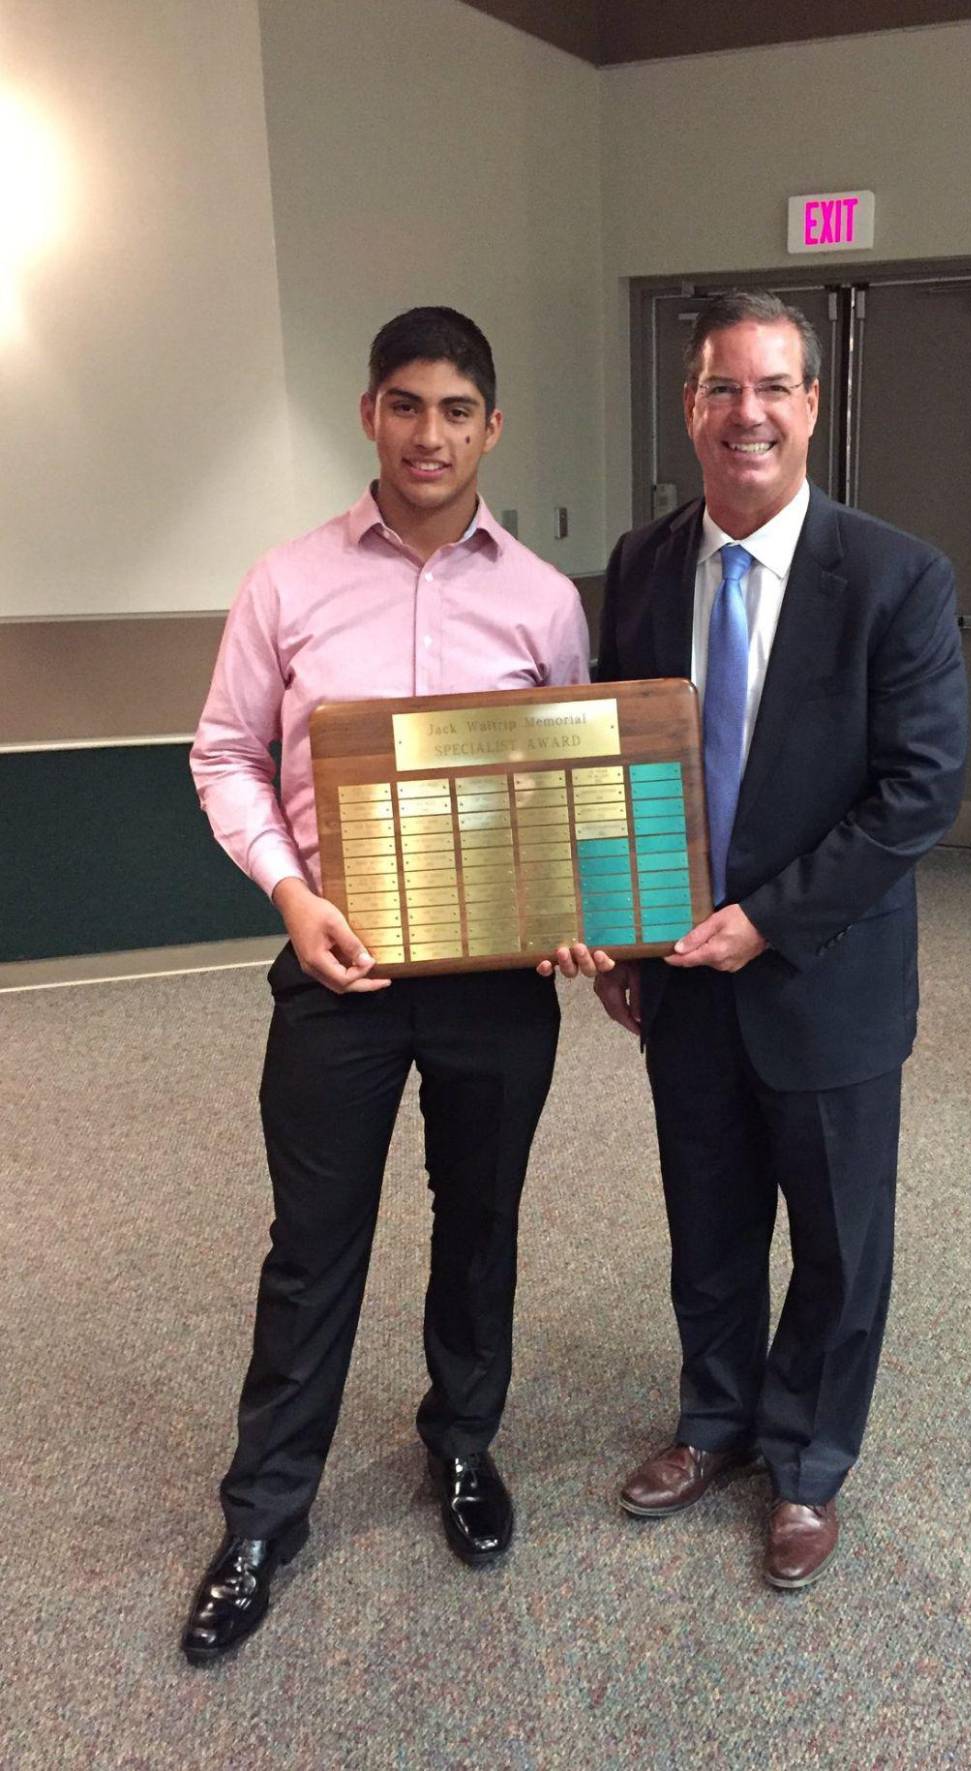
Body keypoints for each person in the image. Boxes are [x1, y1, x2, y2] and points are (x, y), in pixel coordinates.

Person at [182, 307, 590, 1664]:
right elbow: (226, 754)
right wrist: (294, 896)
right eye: (406, 405)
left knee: (480, 1221)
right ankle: (264, 1511)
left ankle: (462, 1444)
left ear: (489, 424)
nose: (430, 433)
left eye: (457, 409)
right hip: (334, 971)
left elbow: (575, 788)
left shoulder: (541, 599)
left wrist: (574, 916)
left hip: (492, 988)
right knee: (313, 1247)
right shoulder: (288, 583)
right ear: (370, 413)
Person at [592, 290, 967, 1589]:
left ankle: (807, 1458)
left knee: (838, 1233)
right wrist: (626, 937)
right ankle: (714, 1417)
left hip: (829, 975)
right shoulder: (642, 567)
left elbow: (920, 791)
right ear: (688, 406)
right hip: (686, 977)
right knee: (707, 1213)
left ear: (812, 406)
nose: (746, 412)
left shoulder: (897, 574)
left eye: (773, 387)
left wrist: (770, 917)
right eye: (719, 388)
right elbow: (621, 765)